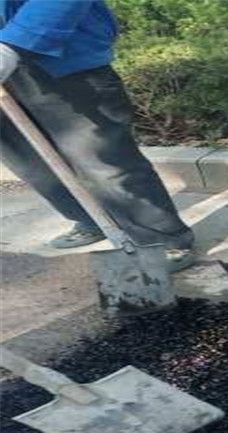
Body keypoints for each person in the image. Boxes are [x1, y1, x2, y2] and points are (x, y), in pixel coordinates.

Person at [0, 0, 195, 270]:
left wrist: (14, 44)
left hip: (55, 53)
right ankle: (92, 217)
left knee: (101, 158)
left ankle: (158, 239)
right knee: (30, 162)